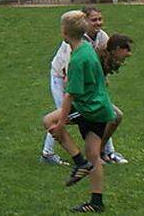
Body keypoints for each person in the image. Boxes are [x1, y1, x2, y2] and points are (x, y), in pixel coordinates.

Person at [42, 11, 115, 213]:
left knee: (49, 121)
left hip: (89, 108)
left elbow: (69, 95)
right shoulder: (87, 49)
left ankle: (79, 162)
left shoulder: (77, 59)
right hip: (101, 107)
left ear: (64, 33)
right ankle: (96, 202)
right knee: (94, 155)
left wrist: (61, 124)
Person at [41, 6, 123, 164]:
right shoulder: (75, 46)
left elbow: (101, 61)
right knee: (61, 117)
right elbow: (68, 76)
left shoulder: (99, 38)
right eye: (94, 20)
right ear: (85, 22)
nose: (98, 23)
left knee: (107, 115)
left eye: (100, 19)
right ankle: (49, 153)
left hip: (83, 85)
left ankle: (101, 153)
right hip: (62, 79)